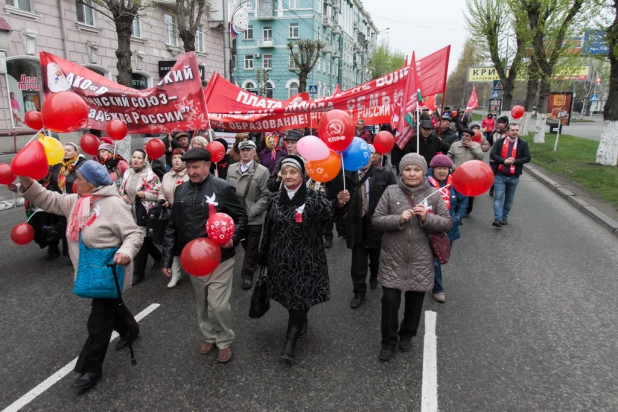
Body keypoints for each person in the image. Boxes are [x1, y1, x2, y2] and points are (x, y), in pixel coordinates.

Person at [18, 161, 143, 390]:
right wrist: (25, 179)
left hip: (108, 270)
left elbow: (134, 234)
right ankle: (130, 329)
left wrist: (125, 252)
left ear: (93, 183)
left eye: (81, 179)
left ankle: (90, 369)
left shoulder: (114, 204)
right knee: (111, 306)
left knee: (98, 322)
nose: (76, 182)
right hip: (88, 268)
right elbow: (47, 198)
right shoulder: (76, 201)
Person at [258, 155, 349, 361]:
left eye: (294, 172)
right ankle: (300, 320)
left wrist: (340, 205)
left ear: (302, 175)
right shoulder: (274, 199)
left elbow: (330, 217)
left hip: (307, 260)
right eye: (285, 172)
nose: (288, 176)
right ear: (280, 174)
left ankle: (289, 343)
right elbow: (268, 230)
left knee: (299, 298)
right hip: (280, 259)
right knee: (291, 299)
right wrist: (263, 257)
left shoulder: (314, 198)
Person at [162, 148, 247, 363]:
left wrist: (233, 238)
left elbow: (241, 218)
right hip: (193, 260)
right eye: (188, 167)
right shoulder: (180, 191)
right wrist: (168, 258)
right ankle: (209, 336)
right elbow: (172, 226)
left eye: (196, 167)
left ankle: (224, 341)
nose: (191, 171)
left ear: (208, 166)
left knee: (218, 305)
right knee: (202, 303)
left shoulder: (223, 188)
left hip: (220, 258)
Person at [372, 153, 452, 361]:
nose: (412, 173)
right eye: (408, 169)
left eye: (416, 169)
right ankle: (388, 341)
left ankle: (407, 334)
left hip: (420, 260)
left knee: (415, 302)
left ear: (423, 171)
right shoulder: (391, 192)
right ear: (401, 171)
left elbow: (446, 223)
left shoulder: (433, 194)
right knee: (389, 301)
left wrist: (427, 218)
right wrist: (399, 218)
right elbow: (377, 220)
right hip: (393, 258)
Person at [342, 145, 397, 309]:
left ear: (373, 157)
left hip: (377, 226)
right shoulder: (348, 176)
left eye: (367, 155)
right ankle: (359, 292)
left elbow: (394, 197)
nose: (363, 159)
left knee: (376, 258)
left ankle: (374, 274)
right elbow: (339, 202)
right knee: (358, 262)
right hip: (357, 225)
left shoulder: (384, 174)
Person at [226, 140, 270, 290]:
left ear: (254, 152)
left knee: (251, 247)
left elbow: (266, 195)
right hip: (237, 216)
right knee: (245, 244)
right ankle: (256, 260)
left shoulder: (262, 171)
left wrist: (253, 211)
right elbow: (227, 191)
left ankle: (247, 276)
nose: (245, 152)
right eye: (242, 150)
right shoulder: (231, 168)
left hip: (253, 217)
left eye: (248, 149)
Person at [425, 155, 468, 303]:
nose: (442, 171)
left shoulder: (455, 183)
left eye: (445, 168)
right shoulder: (425, 182)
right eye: (439, 168)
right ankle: (438, 288)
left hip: (449, 227)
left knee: (441, 256)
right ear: (433, 169)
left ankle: (431, 278)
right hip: (428, 227)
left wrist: (458, 217)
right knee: (433, 259)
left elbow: (463, 200)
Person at [119, 149, 162, 285]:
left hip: (142, 211)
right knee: (142, 239)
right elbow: (122, 188)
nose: (136, 160)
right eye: (134, 157)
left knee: (140, 239)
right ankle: (158, 256)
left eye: (139, 158)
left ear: (145, 160)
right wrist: (122, 196)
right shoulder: (127, 173)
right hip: (128, 210)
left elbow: (158, 193)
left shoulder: (150, 175)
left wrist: (145, 195)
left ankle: (139, 273)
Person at [45, 142, 86, 260]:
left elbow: (81, 182)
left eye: (69, 150)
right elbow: (52, 181)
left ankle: (73, 254)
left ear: (76, 152)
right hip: (59, 199)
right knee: (59, 224)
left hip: (74, 200)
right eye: (64, 150)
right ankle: (57, 249)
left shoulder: (81, 164)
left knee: (73, 226)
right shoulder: (58, 165)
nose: (66, 152)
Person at [158, 148, 190, 288]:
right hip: (170, 214)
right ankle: (176, 273)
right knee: (172, 244)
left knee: (188, 243)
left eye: (180, 157)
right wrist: (162, 200)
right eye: (174, 157)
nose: (176, 160)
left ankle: (194, 269)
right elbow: (160, 191)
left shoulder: (189, 175)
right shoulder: (166, 176)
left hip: (186, 214)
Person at [490, 123, 531, 227]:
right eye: (513, 130)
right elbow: (493, 155)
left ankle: (504, 217)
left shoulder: (523, 143)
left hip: (514, 176)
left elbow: (527, 157)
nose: (515, 132)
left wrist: (515, 161)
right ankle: (497, 219)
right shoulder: (500, 142)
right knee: (498, 197)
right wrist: (504, 161)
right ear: (508, 131)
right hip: (500, 174)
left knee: (509, 199)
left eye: (517, 130)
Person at [489, 116, 510, 196]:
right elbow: (489, 143)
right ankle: (492, 188)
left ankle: (500, 190)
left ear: (506, 124)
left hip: (504, 158)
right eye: (499, 123)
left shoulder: (508, 134)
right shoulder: (494, 133)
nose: (501, 125)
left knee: (502, 174)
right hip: (493, 158)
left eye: (503, 123)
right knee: (493, 174)